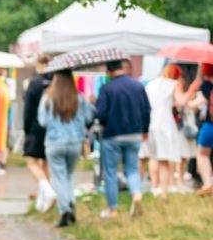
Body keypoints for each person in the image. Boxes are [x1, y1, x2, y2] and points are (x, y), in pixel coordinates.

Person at [95, 60, 151, 218]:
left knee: (111, 171)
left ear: (109, 71)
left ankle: (112, 209)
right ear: (122, 68)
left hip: (112, 134)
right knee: (132, 168)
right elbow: (146, 110)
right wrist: (145, 130)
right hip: (135, 133)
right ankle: (137, 194)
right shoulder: (138, 86)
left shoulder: (107, 88)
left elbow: (100, 113)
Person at [38, 69, 94, 227]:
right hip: (74, 142)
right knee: (68, 176)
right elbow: (89, 117)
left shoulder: (48, 98)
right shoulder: (79, 97)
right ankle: (70, 204)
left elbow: (42, 121)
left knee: (58, 177)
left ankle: (65, 210)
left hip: (54, 142)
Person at [144, 64, 199, 199]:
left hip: (151, 123)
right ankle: (164, 193)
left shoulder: (150, 84)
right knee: (164, 159)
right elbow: (181, 101)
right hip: (165, 125)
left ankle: (154, 187)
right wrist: (192, 89)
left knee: (153, 157)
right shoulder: (173, 84)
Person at [23, 55, 56, 212]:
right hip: (54, 128)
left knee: (31, 160)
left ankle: (46, 189)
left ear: (39, 64)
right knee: (46, 161)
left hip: (36, 128)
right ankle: (44, 197)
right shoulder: (57, 81)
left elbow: (28, 108)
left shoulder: (35, 82)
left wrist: (26, 129)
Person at [196, 63, 213, 196]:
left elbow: (198, 104)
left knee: (202, 154)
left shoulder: (205, 85)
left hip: (209, 125)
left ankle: (208, 184)